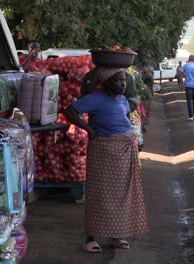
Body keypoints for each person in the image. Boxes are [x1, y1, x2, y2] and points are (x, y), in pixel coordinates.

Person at [62, 68, 148, 253]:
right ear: (106, 82)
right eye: (118, 81)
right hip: (102, 151)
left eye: (124, 81)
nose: (123, 84)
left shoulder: (123, 100)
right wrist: (89, 130)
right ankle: (90, 238)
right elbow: (69, 111)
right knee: (99, 194)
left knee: (122, 195)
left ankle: (117, 235)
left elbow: (123, 120)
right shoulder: (95, 98)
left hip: (123, 152)